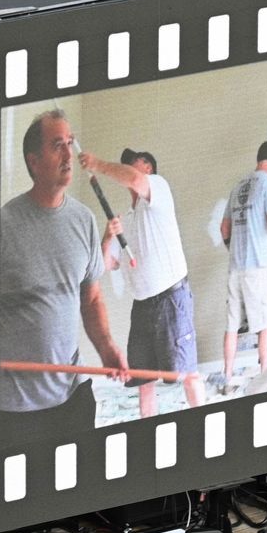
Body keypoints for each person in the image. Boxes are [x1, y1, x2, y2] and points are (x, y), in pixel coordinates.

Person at [0, 110, 127, 442]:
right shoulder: (3, 226)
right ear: (34, 161)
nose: (69, 154)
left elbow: (92, 297)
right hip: (17, 409)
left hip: (72, 395)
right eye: (57, 145)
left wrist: (107, 346)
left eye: (69, 143)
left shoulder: (83, 220)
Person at [80, 145, 204, 417]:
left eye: (134, 162)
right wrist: (109, 235)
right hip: (142, 306)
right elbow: (104, 264)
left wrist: (98, 164)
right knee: (142, 381)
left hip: (172, 299)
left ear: (147, 167)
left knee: (188, 373)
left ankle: (204, 422)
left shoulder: (159, 189)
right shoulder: (128, 218)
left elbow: (135, 180)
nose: (129, 168)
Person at [219, 139, 267, 390]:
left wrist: (233, 248)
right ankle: (265, 375)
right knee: (265, 322)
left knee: (232, 325)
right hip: (258, 267)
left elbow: (224, 228)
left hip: (235, 266)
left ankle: (226, 377)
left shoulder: (238, 186)